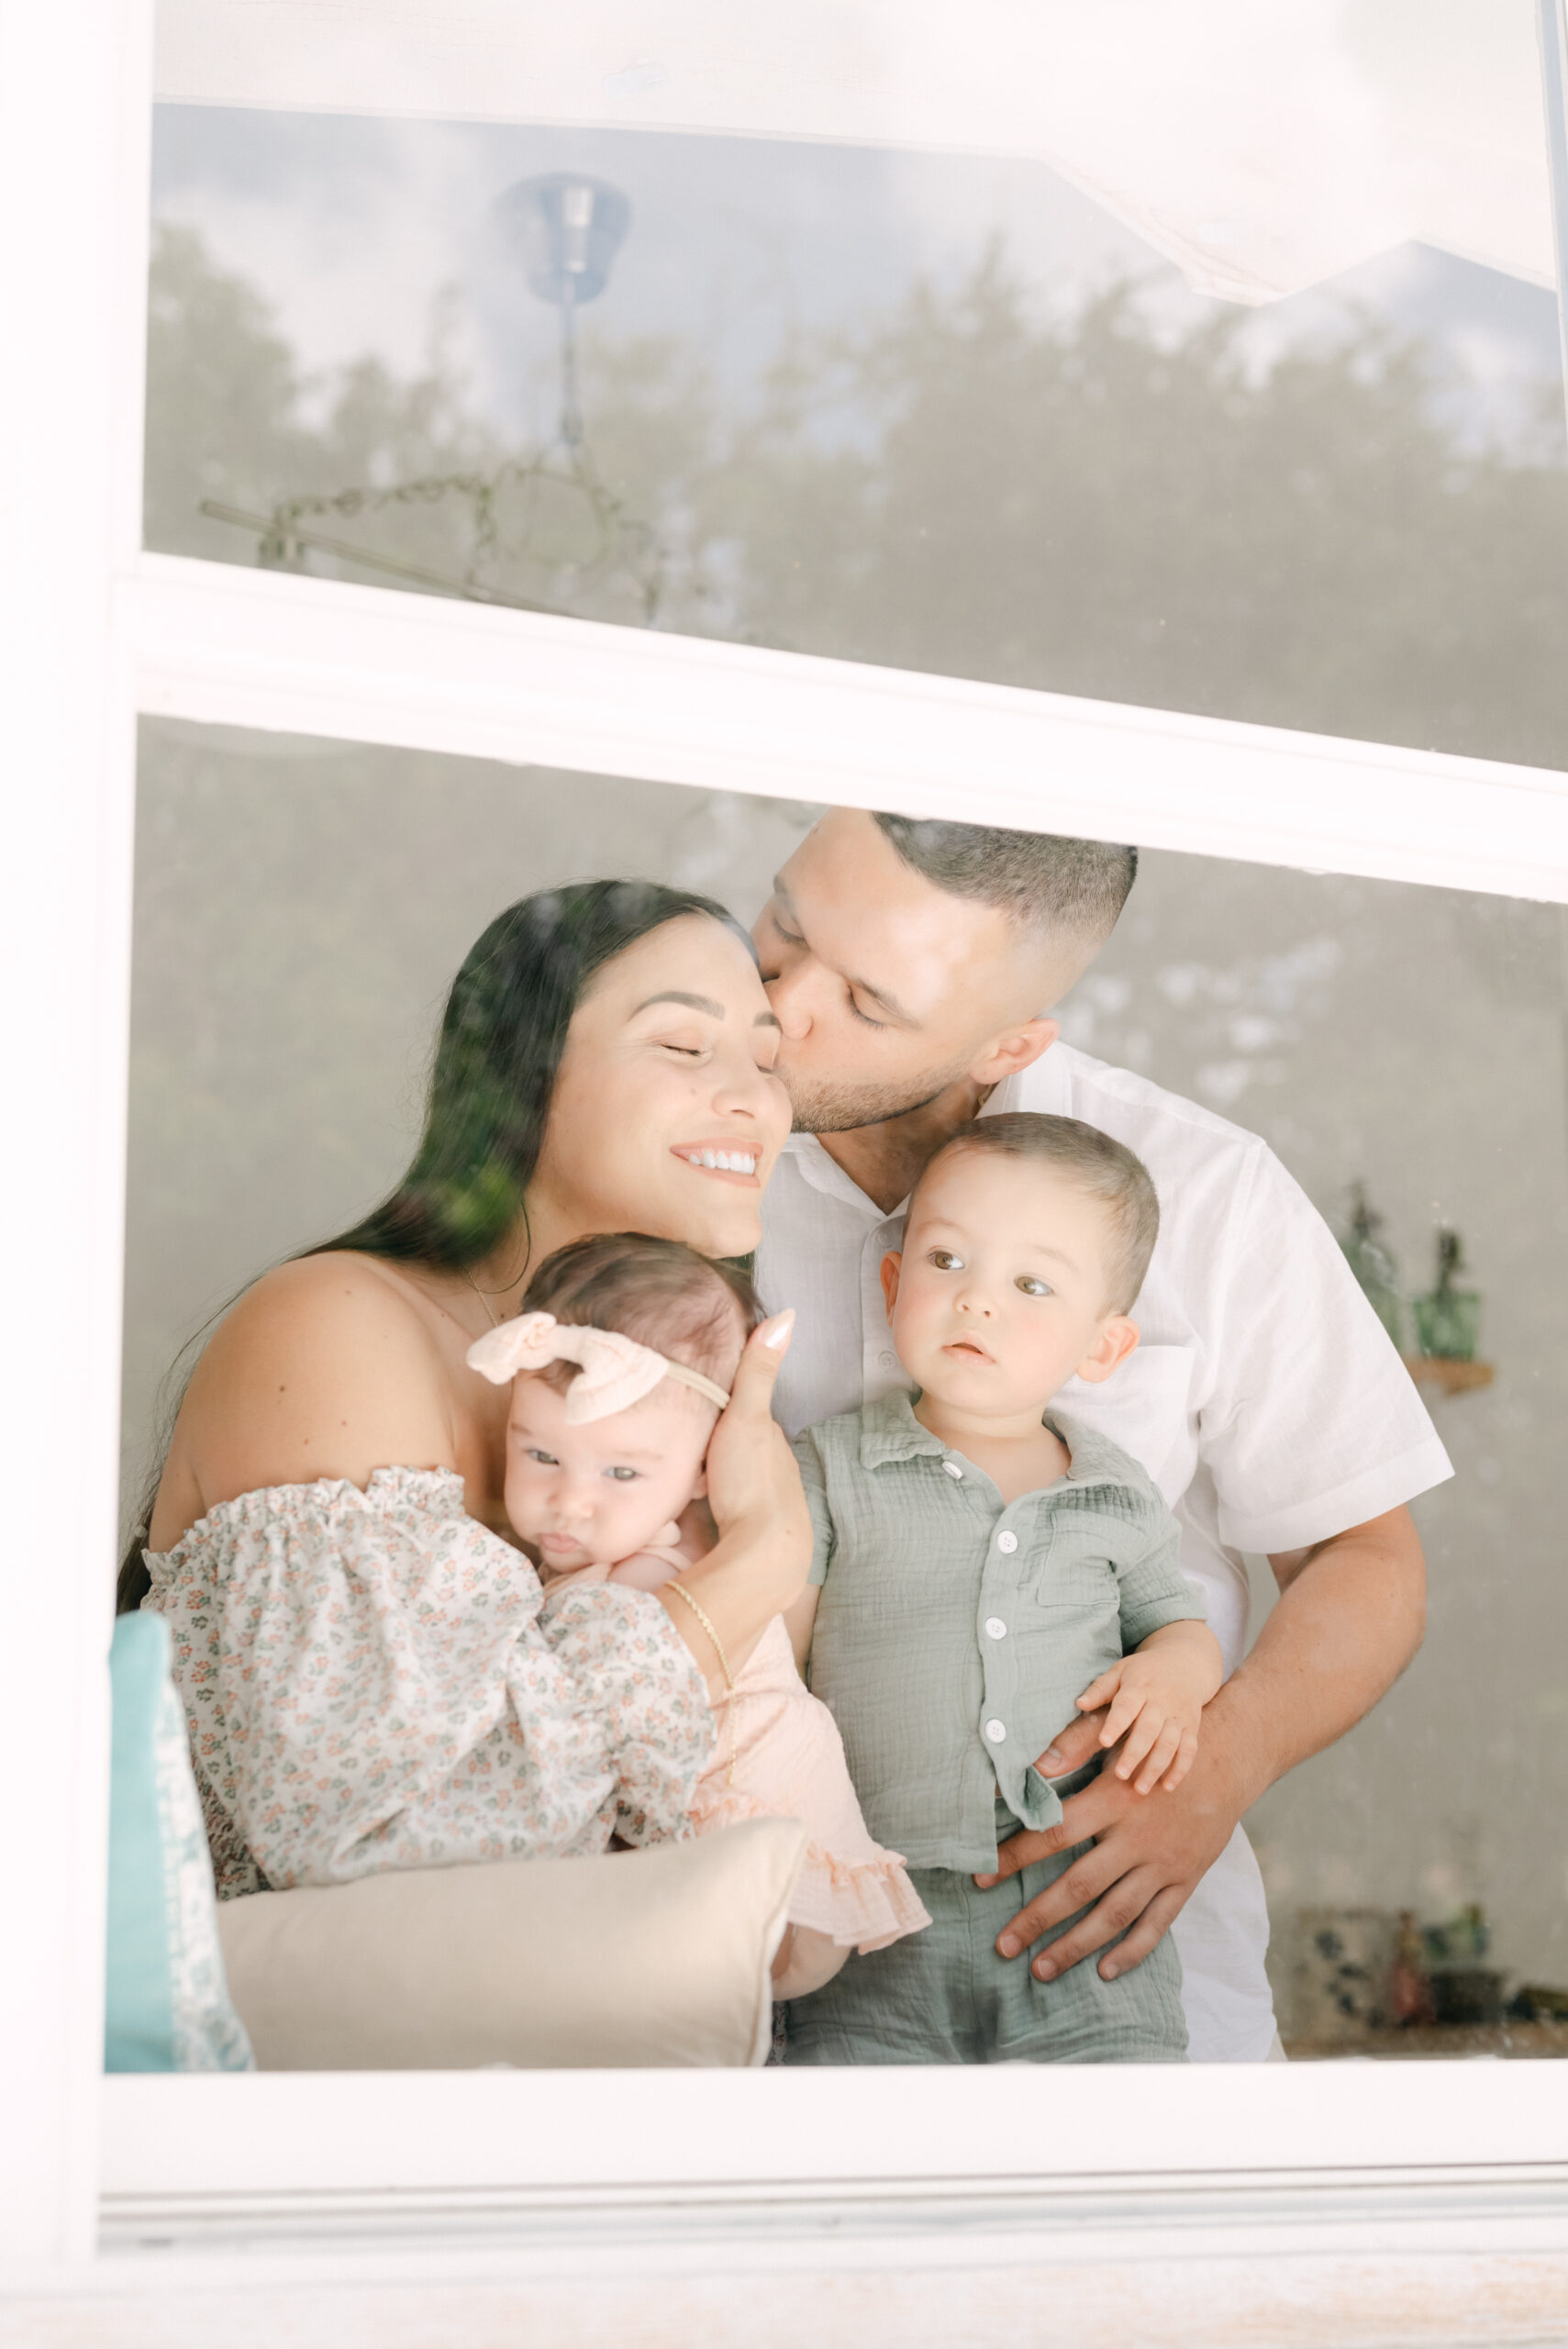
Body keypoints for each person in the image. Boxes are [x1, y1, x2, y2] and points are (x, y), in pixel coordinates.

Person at [754, 810, 1451, 2063]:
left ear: (1009, 1043)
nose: (782, 1009)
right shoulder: (685, 1159)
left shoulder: (1208, 1191)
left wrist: (1212, 1771)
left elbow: (1368, 1562)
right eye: (783, 931)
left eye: (867, 998)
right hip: (792, 1976)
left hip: (1128, 1963)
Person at [128, 880, 811, 1898]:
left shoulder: (702, 1417)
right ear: (518, 1077)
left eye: (766, 1059)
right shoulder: (338, 1325)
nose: (756, 1100)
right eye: (683, 1046)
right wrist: (764, 1560)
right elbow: (402, 1840)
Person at [784, 1115, 1221, 2065]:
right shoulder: (827, 1468)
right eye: (946, 1261)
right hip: (871, 1900)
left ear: (1102, 1347)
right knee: (861, 2159)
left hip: (1078, 1896)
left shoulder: (1111, 1491)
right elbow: (773, 1655)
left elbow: (1176, 1625)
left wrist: (1174, 1677)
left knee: (1105, 2159)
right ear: (892, 1285)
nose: (975, 1301)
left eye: (1029, 1284)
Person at [467, 1230, 930, 1997]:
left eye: (621, 1471)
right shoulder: (595, 1551)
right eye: (540, 1455)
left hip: (755, 1836)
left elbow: (582, 1707)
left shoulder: (653, 1573)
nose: (568, 1501)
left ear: (700, 1472)